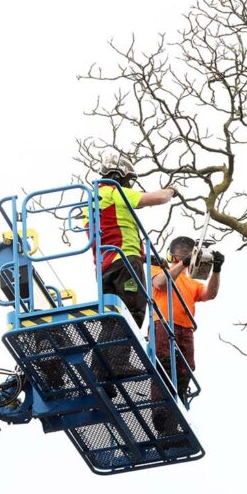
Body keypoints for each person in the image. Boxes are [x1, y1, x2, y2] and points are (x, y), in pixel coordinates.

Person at [89, 154, 177, 328]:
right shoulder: (114, 191)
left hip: (104, 268)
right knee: (132, 312)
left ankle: (105, 355)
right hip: (126, 263)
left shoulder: (92, 200)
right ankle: (116, 355)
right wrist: (171, 191)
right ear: (117, 176)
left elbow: (110, 234)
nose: (128, 186)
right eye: (127, 180)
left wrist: (148, 258)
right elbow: (158, 198)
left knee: (111, 318)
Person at [148, 236, 224, 430]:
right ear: (174, 256)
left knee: (184, 369)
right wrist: (182, 263)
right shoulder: (157, 269)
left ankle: (173, 419)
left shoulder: (190, 282)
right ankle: (160, 412)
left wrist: (216, 269)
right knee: (164, 364)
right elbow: (160, 284)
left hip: (185, 330)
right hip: (163, 325)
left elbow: (210, 294)